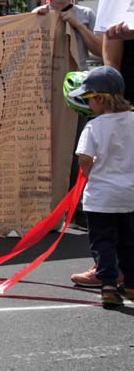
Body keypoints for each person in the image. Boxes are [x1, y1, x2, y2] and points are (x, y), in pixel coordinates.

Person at [68, 66, 134, 309]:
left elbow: (84, 161)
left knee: (103, 241)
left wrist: (91, 171)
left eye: (88, 100)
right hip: (129, 195)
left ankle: (107, 285)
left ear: (99, 98)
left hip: (101, 198)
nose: (88, 106)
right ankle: (130, 283)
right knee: (128, 241)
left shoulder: (94, 127)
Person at [33, 0, 102, 71]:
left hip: (78, 80)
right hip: (48, 80)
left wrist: (78, 25)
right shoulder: (37, 14)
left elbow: (100, 51)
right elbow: (31, 52)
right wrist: (39, 22)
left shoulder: (86, 14)